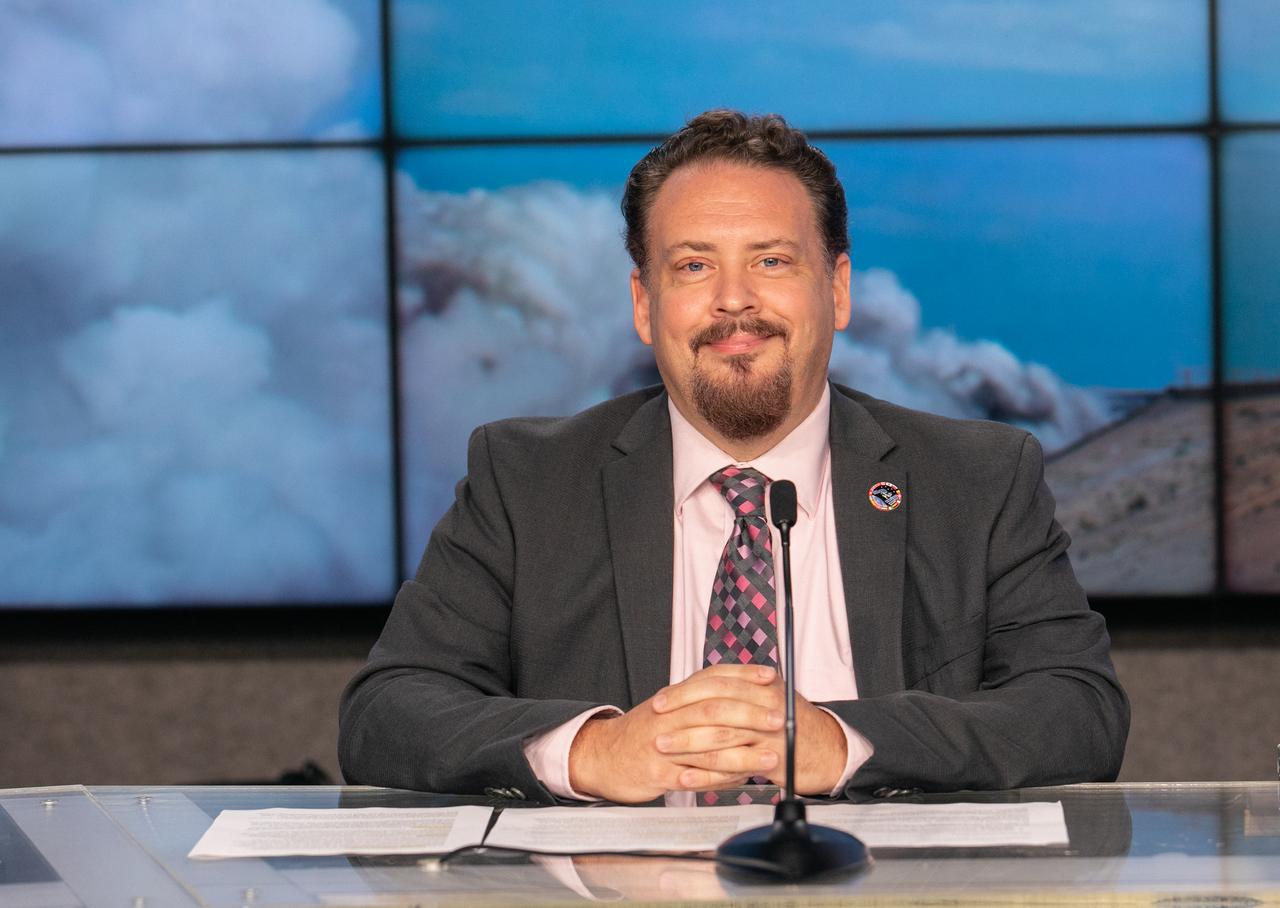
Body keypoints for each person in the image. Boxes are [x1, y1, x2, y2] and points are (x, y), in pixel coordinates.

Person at [339, 109, 1129, 804]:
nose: (733, 300)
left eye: (772, 261)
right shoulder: (526, 479)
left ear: (839, 289)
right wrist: (592, 751)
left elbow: (1077, 710)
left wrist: (844, 743)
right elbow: (389, 710)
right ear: (645, 306)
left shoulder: (980, 478)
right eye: (692, 266)